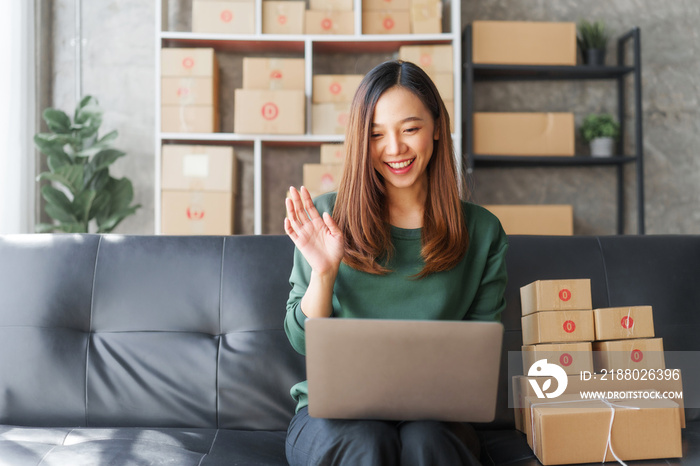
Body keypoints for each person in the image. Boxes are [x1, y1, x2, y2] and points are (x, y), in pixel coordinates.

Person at [283, 60, 508, 466]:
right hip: (332, 418)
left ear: (437, 127)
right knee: (366, 442)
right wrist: (324, 273)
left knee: (427, 442)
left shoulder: (483, 232)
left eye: (410, 129)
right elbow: (301, 341)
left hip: (436, 417)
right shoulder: (326, 218)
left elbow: (478, 360)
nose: (394, 148)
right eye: (376, 134)